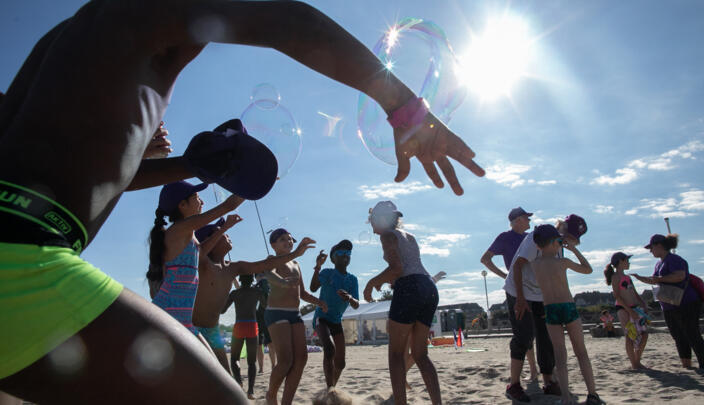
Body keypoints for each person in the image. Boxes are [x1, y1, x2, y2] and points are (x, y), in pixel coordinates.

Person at [0, 1, 487, 401]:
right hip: (21, 255)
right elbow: (284, 20)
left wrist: (190, 164)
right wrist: (402, 106)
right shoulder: (139, 16)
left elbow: (66, 173)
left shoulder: (64, 41)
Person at [193, 216, 308, 387]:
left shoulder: (234, 267)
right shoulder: (202, 263)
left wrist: (296, 254)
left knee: (225, 381)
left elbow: (261, 266)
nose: (227, 235)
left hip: (213, 330)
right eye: (220, 233)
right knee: (197, 379)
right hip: (192, 328)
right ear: (210, 241)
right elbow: (199, 251)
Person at [363, 201, 441, 405]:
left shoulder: (387, 235)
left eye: (371, 221)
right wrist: (387, 279)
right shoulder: (410, 236)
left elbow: (397, 268)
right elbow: (409, 266)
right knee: (421, 355)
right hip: (428, 286)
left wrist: (372, 283)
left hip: (410, 288)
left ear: (381, 220)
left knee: (396, 356)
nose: (371, 228)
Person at [503, 214, 587, 402]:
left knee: (546, 336)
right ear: (562, 228)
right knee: (523, 336)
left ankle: (549, 380)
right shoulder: (539, 238)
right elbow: (517, 267)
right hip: (518, 291)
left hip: (541, 296)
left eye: (574, 239)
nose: (570, 241)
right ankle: (514, 384)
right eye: (570, 236)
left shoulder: (558, 247)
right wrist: (521, 299)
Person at [148, 181, 240, 339]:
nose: (202, 201)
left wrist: (224, 229)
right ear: (182, 205)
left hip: (182, 317)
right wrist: (255, 184)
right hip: (169, 315)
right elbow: (228, 206)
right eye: (197, 197)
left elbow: (201, 252)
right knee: (208, 364)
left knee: (210, 363)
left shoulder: (187, 234)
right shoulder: (179, 229)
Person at [530, 224, 601, 405]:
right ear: (555, 243)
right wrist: (574, 250)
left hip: (551, 309)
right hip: (567, 306)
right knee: (581, 352)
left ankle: (566, 398)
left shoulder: (535, 264)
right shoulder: (562, 262)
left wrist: (552, 244)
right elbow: (588, 269)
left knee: (560, 356)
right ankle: (592, 394)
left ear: (538, 245)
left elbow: (541, 251)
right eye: (559, 242)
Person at [264, 228, 326, 405]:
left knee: (301, 359)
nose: (288, 242)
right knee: (285, 361)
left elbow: (303, 292)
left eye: (290, 239)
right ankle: (271, 394)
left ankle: (287, 402)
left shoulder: (296, 264)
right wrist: (281, 282)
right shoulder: (272, 260)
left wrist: (318, 302)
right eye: (283, 239)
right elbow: (268, 274)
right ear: (273, 244)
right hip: (276, 312)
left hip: (294, 313)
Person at [631, 234, 704, 369]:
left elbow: (680, 276)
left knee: (692, 334)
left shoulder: (674, 259)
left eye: (651, 248)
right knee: (678, 336)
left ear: (659, 246)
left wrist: (659, 279)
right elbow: (656, 279)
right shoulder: (659, 263)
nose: (650, 251)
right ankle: (687, 365)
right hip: (669, 305)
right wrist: (641, 278)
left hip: (685, 302)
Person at [480, 206, 538, 382]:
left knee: (538, 330)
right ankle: (533, 371)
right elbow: (485, 259)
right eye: (526, 218)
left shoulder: (530, 238)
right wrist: (506, 276)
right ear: (517, 220)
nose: (529, 221)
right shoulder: (505, 237)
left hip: (535, 289)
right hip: (516, 289)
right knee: (523, 332)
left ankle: (542, 371)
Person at [309, 240, 360, 389]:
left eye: (348, 253)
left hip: (336, 320)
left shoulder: (352, 279)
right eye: (341, 253)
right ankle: (331, 390)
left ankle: (331, 388)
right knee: (329, 349)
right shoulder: (327, 273)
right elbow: (312, 288)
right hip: (322, 317)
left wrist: (350, 298)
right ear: (333, 258)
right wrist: (318, 267)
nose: (345, 255)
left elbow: (356, 305)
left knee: (341, 363)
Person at [223, 275, 265, 399]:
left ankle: (239, 381)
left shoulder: (235, 293)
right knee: (252, 362)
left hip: (239, 325)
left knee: (234, 358)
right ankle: (251, 391)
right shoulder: (257, 292)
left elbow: (222, 311)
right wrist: (260, 291)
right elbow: (265, 305)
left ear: (240, 280)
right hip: (252, 326)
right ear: (252, 280)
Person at [604, 252, 649, 369]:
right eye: (627, 260)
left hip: (634, 308)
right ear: (620, 262)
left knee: (644, 334)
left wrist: (643, 304)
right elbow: (617, 296)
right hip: (623, 309)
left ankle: (637, 360)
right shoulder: (615, 277)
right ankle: (635, 363)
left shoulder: (627, 277)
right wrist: (629, 311)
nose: (629, 263)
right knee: (629, 336)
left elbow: (634, 292)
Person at [255, 274, 276, 374]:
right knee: (268, 344)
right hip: (266, 316)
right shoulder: (267, 286)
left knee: (261, 345)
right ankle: (270, 366)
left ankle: (263, 368)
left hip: (260, 317)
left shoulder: (258, 287)